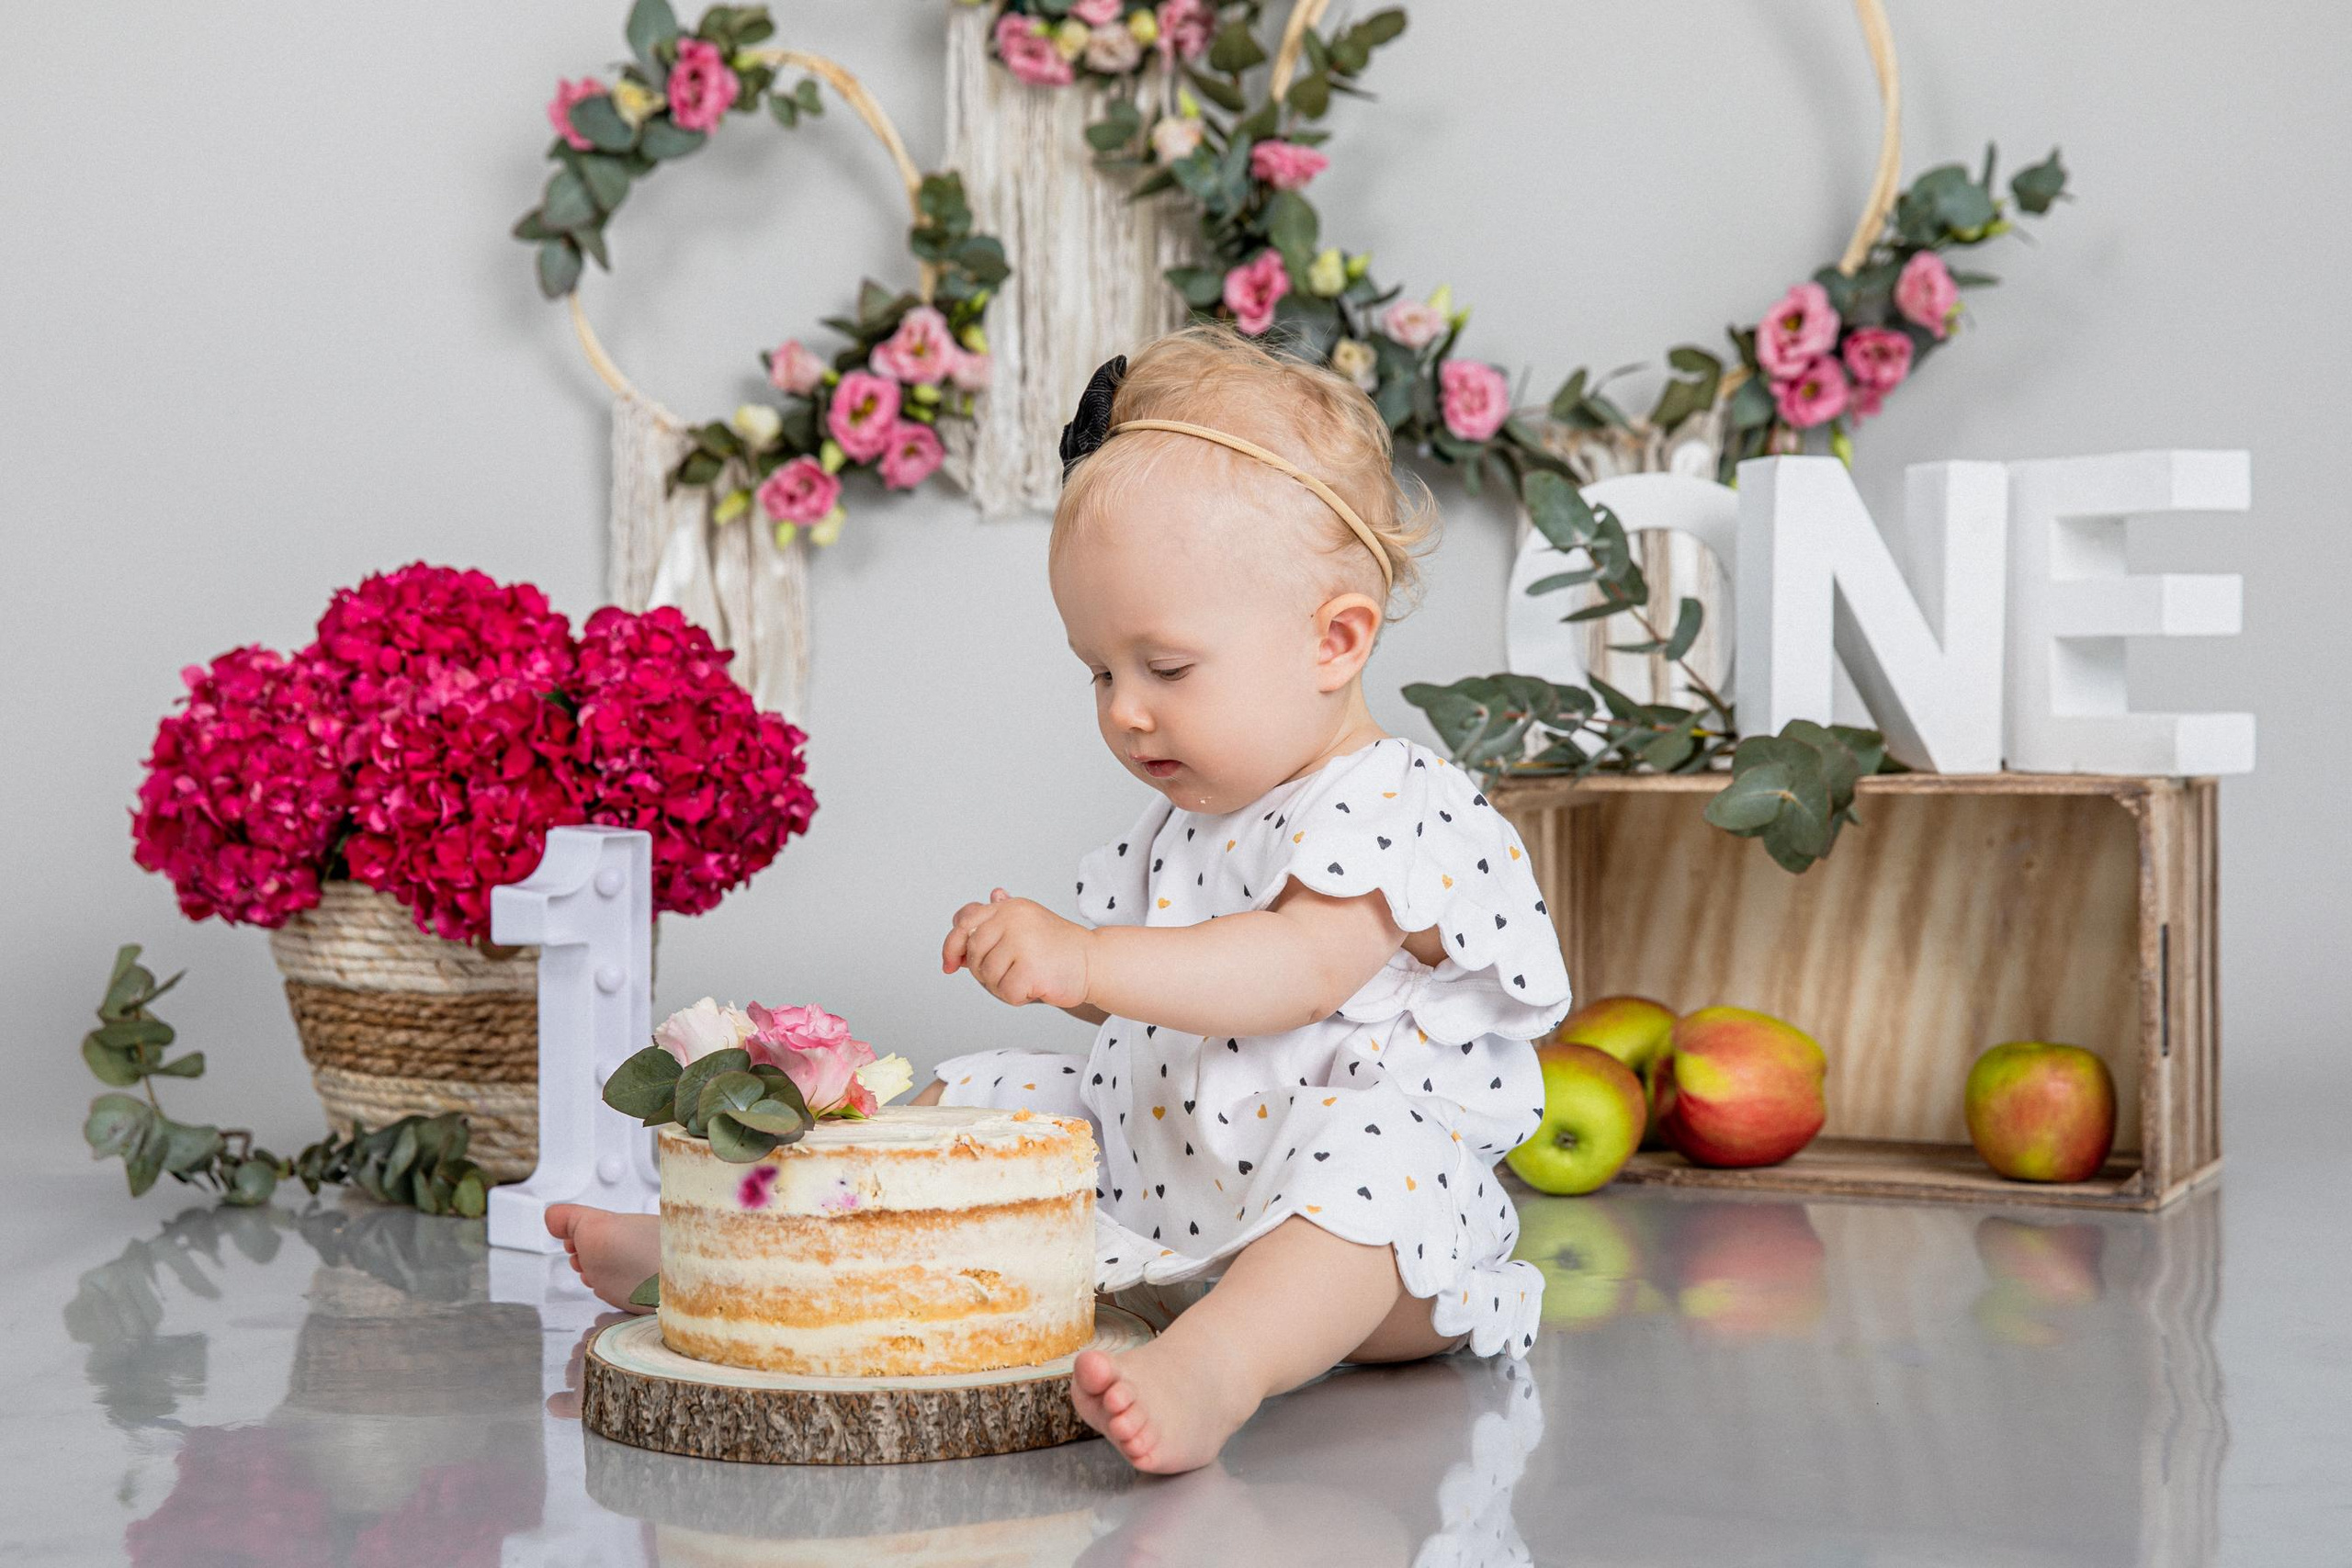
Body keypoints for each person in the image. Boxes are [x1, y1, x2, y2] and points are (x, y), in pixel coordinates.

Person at [550, 324, 1572, 1475]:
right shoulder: (1189, 821)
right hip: (1179, 1202)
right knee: (1006, 1091)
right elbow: (1162, 1008)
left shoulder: (1393, 801)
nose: (1125, 711)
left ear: (1335, 640)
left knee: (1370, 1157)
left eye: (1166, 669)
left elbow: (1290, 974)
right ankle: (740, 1248)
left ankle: (1214, 1372)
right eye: (1099, 671)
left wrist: (1088, 959)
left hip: (1361, 1263)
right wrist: (1056, 980)